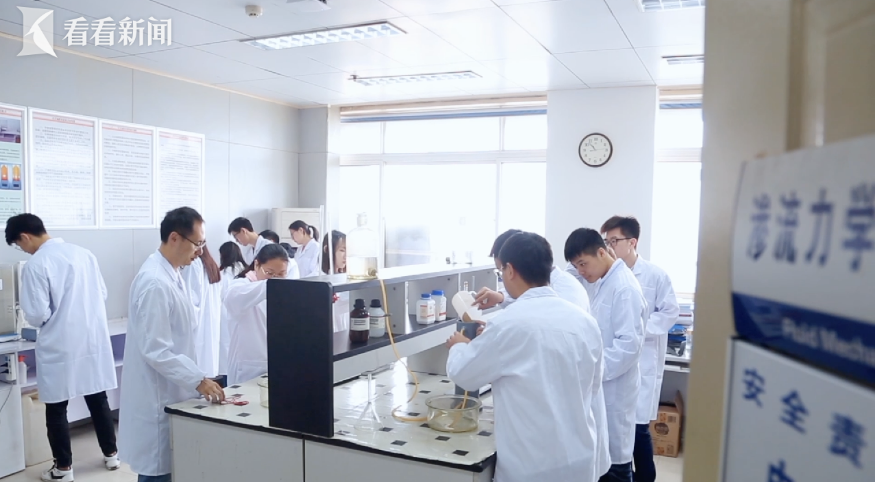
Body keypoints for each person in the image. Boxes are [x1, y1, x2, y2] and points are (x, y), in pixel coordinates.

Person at [446, 232, 604, 482]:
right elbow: (593, 386)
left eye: (501, 271)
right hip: (579, 461)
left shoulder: (507, 324)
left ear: (510, 270)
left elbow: (463, 374)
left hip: (532, 466)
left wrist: (460, 346)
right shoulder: (585, 322)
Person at [5, 214, 119, 482]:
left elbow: (36, 314)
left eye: (19, 245)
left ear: (24, 236)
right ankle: (112, 455)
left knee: (56, 407)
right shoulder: (84, 254)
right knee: (97, 398)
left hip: (60, 344)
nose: (23, 250)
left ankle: (64, 469)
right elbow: (102, 294)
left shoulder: (37, 264)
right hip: (91, 340)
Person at [119, 207, 225, 482]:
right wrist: (197, 380)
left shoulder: (173, 273)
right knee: (158, 471)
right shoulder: (155, 282)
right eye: (197, 243)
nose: (200, 251)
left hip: (173, 392)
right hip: (158, 398)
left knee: (172, 468)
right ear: (175, 238)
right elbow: (156, 350)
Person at [601, 216, 679, 482]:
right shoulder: (606, 276)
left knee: (637, 428)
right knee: (618, 430)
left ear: (632, 242)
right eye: (606, 241)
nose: (609, 247)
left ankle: (646, 477)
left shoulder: (655, 275)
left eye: (614, 240)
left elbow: (670, 312)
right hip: (615, 360)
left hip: (643, 360)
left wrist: (638, 328)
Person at [565, 228, 646, 482]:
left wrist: (591, 370)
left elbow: (628, 347)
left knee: (616, 467)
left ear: (602, 253)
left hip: (615, 393)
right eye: (576, 266)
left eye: (583, 264)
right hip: (600, 389)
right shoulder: (602, 281)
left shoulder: (624, 288)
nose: (580, 271)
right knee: (603, 462)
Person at [474, 229, 592, 314]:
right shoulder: (553, 284)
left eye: (502, 271)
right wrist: (501, 297)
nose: (504, 279)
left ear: (511, 269)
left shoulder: (564, 296)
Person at [223, 244, 290, 385]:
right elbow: (232, 298)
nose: (276, 278)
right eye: (270, 273)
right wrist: (271, 284)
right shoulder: (240, 285)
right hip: (248, 368)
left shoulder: (284, 291)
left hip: (276, 364)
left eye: (281, 274)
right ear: (256, 265)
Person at [181, 245, 223, 378]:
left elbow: (190, 302)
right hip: (209, 326)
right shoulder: (211, 265)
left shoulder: (192, 265)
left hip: (197, 329)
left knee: (195, 371)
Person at [218, 242, 247, 379]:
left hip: (225, 315)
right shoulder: (246, 271)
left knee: (226, 352)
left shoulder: (222, 274)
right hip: (242, 317)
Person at [322, 230, 348, 332]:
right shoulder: (319, 277)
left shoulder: (345, 277)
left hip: (344, 327)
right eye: (342, 250)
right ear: (327, 250)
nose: (346, 255)